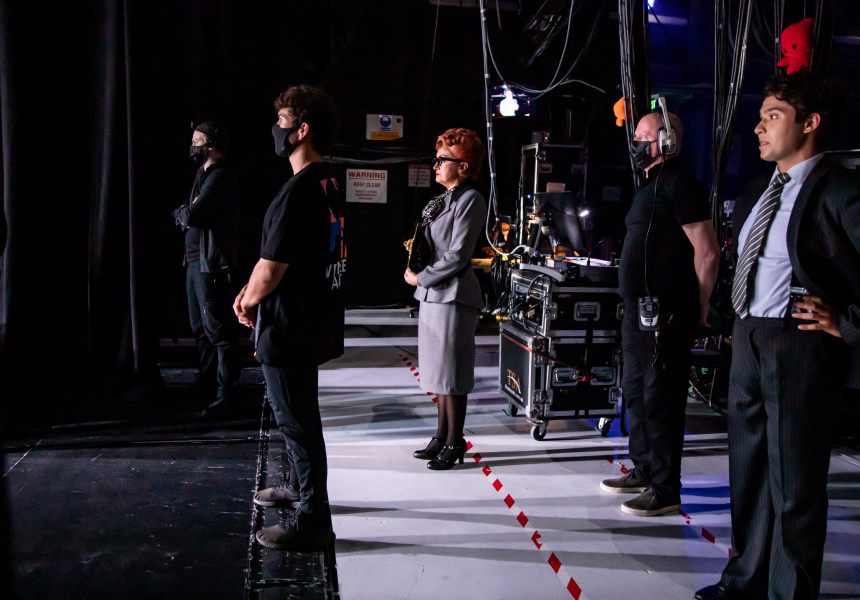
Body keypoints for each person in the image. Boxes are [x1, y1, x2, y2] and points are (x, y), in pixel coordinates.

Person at [696, 72, 859, 600]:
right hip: (749, 338)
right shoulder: (760, 191)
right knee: (748, 476)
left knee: (794, 486)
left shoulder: (842, 190)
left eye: (773, 116)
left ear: (810, 123)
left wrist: (846, 321)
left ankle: (789, 595)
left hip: (800, 345)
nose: (758, 128)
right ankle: (744, 580)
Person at [234, 85, 343, 551]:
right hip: (310, 319)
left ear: (302, 129)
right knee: (300, 416)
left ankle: (312, 519)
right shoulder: (327, 183)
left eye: (282, 121)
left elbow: (272, 266)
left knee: (297, 423)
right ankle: (299, 488)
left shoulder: (297, 191)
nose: (275, 129)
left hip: (289, 325)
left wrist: (247, 300)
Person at [601, 111, 720, 516]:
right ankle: (644, 469)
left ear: (667, 140)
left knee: (661, 399)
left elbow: (707, 251)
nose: (636, 143)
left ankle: (665, 488)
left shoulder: (681, 184)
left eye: (643, 136)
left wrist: (700, 302)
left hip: (668, 312)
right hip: (639, 312)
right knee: (635, 393)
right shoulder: (650, 186)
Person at [404, 128, 487, 470]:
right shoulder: (442, 199)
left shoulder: (470, 200)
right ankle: (441, 435)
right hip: (433, 296)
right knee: (439, 373)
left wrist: (420, 276)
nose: (435, 165)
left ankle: (455, 441)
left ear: (463, 166)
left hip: (453, 296)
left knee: (452, 374)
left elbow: (457, 256)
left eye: (442, 160)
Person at [172, 122, 241, 416]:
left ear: (210, 144)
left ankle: (227, 393)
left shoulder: (220, 176)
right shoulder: (202, 175)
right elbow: (187, 213)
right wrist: (185, 213)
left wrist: (185, 213)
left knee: (218, 329)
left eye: (196, 142)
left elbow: (193, 215)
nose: (192, 147)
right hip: (193, 262)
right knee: (200, 328)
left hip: (210, 265)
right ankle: (207, 380)